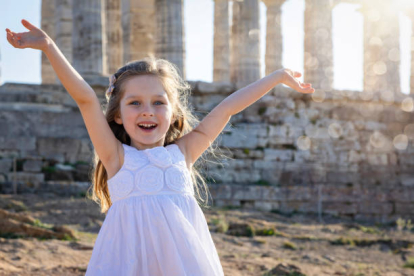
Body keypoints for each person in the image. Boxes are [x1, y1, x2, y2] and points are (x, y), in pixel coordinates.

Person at [6, 19, 314, 276]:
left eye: (158, 102)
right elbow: (86, 99)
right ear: (116, 113)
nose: (147, 111)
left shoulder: (184, 152)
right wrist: (48, 46)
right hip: (126, 264)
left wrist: (277, 77)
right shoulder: (116, 158)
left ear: (174, 112)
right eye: (135, 103)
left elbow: (227, 109)